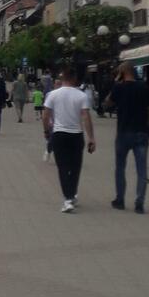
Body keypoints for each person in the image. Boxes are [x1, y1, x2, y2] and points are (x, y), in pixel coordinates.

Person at [43, 67, 96, 213]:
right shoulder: (81, 96)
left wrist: (46, 131)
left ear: (62, 77)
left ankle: (68, 198)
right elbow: (86, 117)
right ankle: (71, 195)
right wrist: (91, 137)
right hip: (76, 135)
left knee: (63, 167)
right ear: (74, 79)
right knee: (75, 167)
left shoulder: (52, 95)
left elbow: (45, 115)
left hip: (59, 134)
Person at [104, 63, 149, 214]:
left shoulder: (118, 88)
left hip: (123, 132)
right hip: (141, 132)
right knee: (141, 170)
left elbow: (107, 103)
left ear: (122, 72)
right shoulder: (144, 87)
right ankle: (139, 203)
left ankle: (120, 200)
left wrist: (115, 83)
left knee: (120, 168)